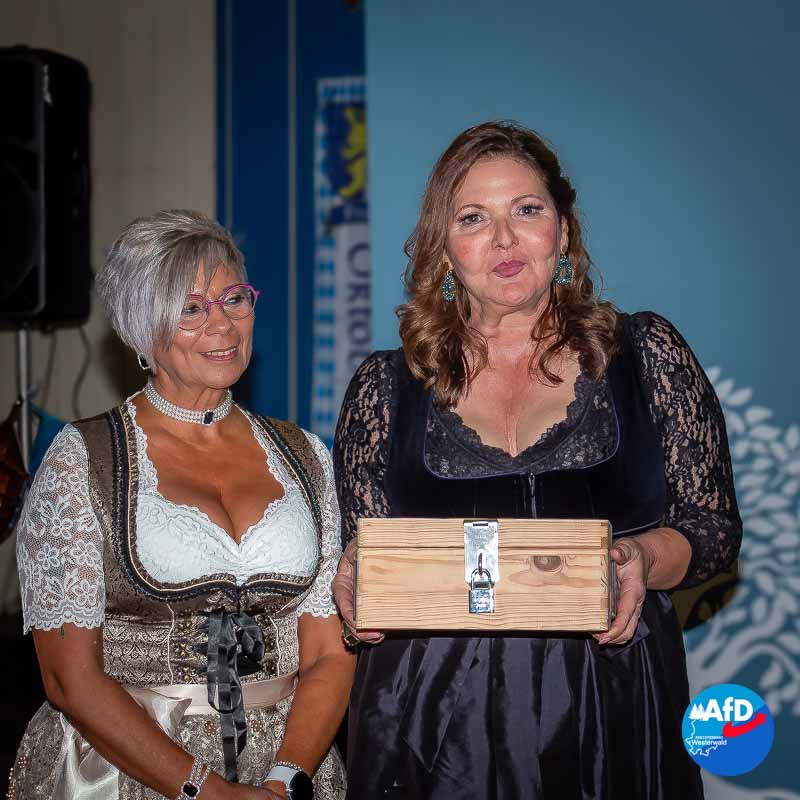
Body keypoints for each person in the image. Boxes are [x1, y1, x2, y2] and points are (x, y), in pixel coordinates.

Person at [332, 122, 742, 799]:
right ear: (443, 247)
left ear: (564, 231)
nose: (503, 239)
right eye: (472, 218)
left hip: (608, 709)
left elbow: (713, 529)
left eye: (526, 210)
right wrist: (351, 575)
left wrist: (642, 558)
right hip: (431, 727)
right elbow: (364, 554)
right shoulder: (383, 388)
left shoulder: (647, 355)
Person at [9, 211, 354, 800]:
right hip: (131, 773)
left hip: (289, 766)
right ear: (142, 331)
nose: (223, 324)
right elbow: (70, 677)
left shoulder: (305, 455)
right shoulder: (85, 458)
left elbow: (327, 651)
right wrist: (205, 790)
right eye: (191, 309)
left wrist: (285, 777)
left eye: (234, 299)